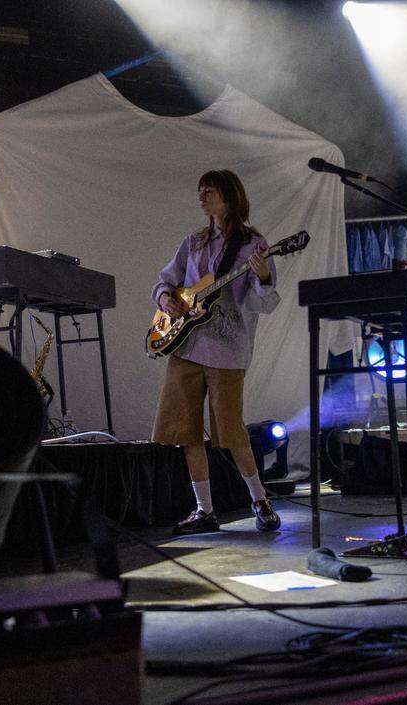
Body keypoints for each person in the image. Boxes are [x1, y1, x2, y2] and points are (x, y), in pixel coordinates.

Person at [151, 169, 282, 535]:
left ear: (229, 196)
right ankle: (204, 509)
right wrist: (166, 300)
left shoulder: (252, 244)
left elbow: (262, 302)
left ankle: (260, 500)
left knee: (231, 431)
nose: (202, 196)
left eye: (209, 190)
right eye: (200, 190)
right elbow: (166, 281)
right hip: (187, 347)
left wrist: (265, 277)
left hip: (227, 350)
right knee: (186, 432)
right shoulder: (193, 242)